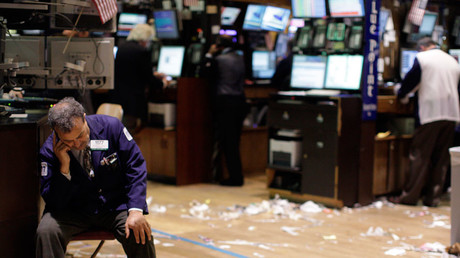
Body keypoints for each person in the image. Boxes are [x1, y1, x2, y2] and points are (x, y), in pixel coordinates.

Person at [35, 97, 156, 257]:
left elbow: (135, 165)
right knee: (46, 231)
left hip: (112, 205)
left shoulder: (111, 127)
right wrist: (64, 168)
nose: (77, 144)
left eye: (80, 135)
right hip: (72, 210)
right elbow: (54, 202)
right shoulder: (49, 150)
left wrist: (135, 211)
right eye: (68, 141)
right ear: (56, 133)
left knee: (139, 231)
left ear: (84, 118)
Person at [393, 37, 460, 207]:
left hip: (430, 113)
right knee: (441, 159)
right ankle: (433, 198)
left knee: (420, 156)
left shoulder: (423, 59)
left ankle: (409, 197)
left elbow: (409, 84)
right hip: (451, 113)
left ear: (421, 47)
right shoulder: (452, 61)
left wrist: (401, 95)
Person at [202, 35, 248, 186]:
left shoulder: (218, 60)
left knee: (228, 143)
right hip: (240, 101)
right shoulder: (240, 58)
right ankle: (236, 175)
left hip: (225, 103)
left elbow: (206, 74)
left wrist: (209, 55)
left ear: (218, 47)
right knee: (235, 141)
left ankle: (235, 178)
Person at [112, 24, 167, 133]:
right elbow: (148, 78)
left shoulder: (122, 47)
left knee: (122, 132)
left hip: (119, 97)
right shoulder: (141, 51)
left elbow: (130, 71)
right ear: (145, 38)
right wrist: (163, 83)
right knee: (129, 133)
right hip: (133, 100)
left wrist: (152, 74)